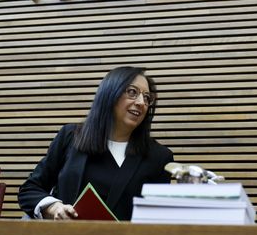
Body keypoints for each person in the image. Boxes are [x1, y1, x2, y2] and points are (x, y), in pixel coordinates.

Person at [18, 66, 173, 221]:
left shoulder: (160, 157)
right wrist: (54, 208)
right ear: (110, 94)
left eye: (147, 97)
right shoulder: (71, 137)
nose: (141, 102)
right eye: (132, 92)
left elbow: (159, 218)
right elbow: (30, 189)